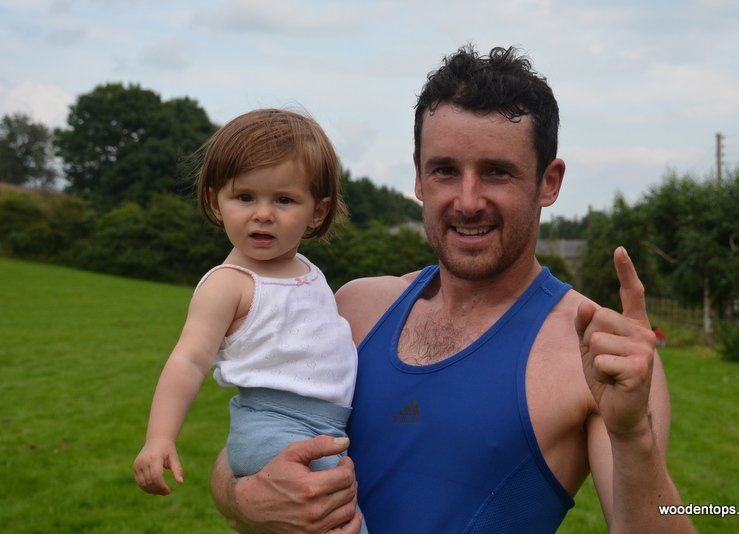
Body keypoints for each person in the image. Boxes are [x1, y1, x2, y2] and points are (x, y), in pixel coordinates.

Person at [210, 46, 694, 533]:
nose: (467, 201)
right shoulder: (354, 309)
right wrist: (243, 498)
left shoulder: (595, 354)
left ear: (549, 183)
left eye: (497, 172)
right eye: (445, 170)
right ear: (419, 177)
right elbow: (250, 440)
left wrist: (634, 440)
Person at [133, 108, 367, 532]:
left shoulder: (308, 273)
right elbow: (187, 362)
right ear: (214, 202)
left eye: (284, 200)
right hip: (273, 426)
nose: (263, 213)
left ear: (317, 211)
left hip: (325, 425)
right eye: (245, 197)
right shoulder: (230, 284)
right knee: (340, 521)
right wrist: (160, 438)